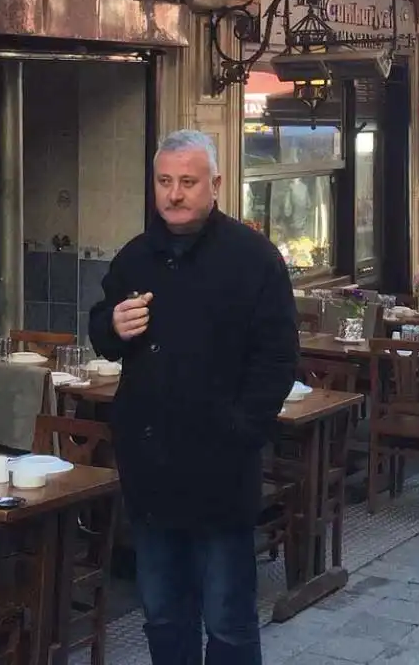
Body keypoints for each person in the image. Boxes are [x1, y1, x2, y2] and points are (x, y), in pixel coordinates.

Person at [89, 129, 298, 665]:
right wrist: (112, 325)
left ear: (216, 185)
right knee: (161, 612)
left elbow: (277, 359)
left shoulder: (253, 259)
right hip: (151, 469)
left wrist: (241, 430)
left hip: (220, 470)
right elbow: (102, 334)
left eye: (187, 182)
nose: (174, 194)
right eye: (164, 182)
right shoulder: (136, 257)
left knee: (227, 619)